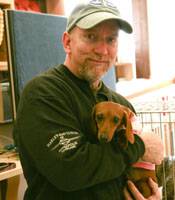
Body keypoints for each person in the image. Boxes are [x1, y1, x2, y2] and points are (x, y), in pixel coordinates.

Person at [13, 0, 161, 199]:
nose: (102, 50)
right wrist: (140, 146)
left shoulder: (120, 105)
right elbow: (71, 170)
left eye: (111, 40)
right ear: (67, 42)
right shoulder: (43, 94)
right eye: (91, 37)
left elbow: (135, 171)